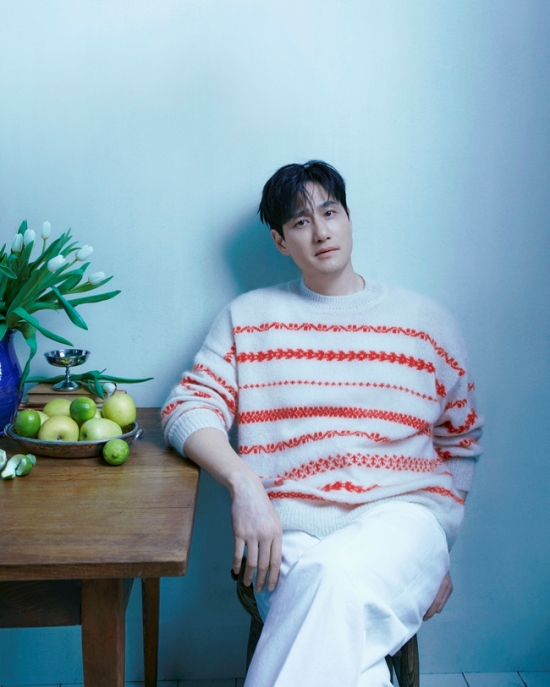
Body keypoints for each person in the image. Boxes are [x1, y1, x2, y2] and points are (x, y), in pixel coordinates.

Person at [162, 160, 482, 687]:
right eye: (301, 222)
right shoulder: (249, 317)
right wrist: (245, 485)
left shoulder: (425, 322)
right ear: (281, 241)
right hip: (288, 530)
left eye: (330, 213)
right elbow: (187, 407)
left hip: (403, 519)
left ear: (349, 218)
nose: (321, 231)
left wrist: (432, 550)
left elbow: (460, 436)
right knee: (336, 615)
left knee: (331, 580)